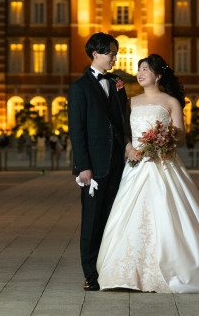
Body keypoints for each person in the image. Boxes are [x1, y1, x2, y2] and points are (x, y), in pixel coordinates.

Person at [97, 54, 199, 292]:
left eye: (145, 69)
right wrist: (129, 149)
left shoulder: (171, 101)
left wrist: (165, 140)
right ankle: (129, 274)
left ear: (158, 75)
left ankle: (174, 268)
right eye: (139, 69)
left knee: (169, 214)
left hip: (164, 164)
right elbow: (124, 133)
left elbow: (181, 134)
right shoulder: (130, 102)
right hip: (137, 166)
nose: (140, 73)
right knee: (129, 216)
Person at [68, 32, 130, 292]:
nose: (115, 58)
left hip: (118, 164)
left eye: (115, 53)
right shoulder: (79, 87)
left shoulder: (117, 83)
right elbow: (77, 130)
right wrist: (83, 166)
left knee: (114, 219)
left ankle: (111, 269)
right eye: (111, 54)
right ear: (96, 54)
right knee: (92, 222)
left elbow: (122, 121)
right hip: (93, 166)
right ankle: (90, 274)